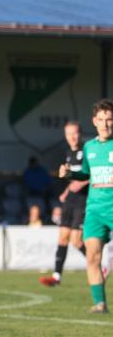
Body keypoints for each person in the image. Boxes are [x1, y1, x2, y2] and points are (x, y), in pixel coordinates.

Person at [60, 99, 113, 313]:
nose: (105, 124)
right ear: (94, 122)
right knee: (92, 257)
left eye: (109, 120)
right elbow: (85, 173)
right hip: (94, 210)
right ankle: (100, 303)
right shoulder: (89, 147)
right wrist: (70, 174)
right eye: (101, 120)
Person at [40, 121, 89, 287]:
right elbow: (72, 177)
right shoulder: (69, 153)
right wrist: (66, 191)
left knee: (76, 241)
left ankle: (99, 265)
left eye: (75, 133)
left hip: (83, 199)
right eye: (69, 134)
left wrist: (80, 183)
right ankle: (56, 277)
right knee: (62, 238)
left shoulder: (87, 151)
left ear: (80, 133)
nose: (72, 137)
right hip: (70, 200)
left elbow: (93, 173)